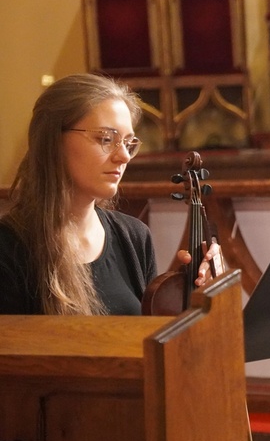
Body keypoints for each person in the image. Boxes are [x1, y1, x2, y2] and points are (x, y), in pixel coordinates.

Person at [0, 73, 219, 315]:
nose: (124, 156)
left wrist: (192, 293)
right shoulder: (8, 247)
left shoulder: (134, 237)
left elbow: (149, 342)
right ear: (53, 141)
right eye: (106, 139)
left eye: (128, 142)